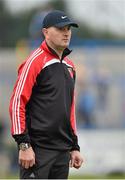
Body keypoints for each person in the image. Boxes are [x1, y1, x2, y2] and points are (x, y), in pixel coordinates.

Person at [9, 10, 83, 179]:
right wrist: (24, 145)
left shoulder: (70, 66)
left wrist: (74, 146)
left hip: (62, 151)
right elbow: (16, 103)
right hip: (37, 150)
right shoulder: (34, 61)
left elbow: (69, 109)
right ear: (45, 33)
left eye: (69, 29)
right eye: (60, 29)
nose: (66, 33)